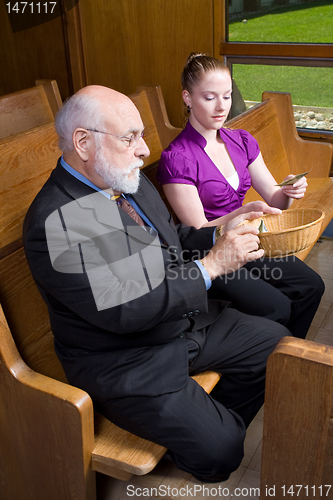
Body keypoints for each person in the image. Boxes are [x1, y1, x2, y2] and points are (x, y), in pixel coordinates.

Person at [23, 84, 288, 483]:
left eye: (142, 134)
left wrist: (217, 234)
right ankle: (205, 433)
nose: (145, 149)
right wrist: (211, 267)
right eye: (130, 137)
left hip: (177, 321)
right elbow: (124, 310)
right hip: (125, 357)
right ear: (83, 142)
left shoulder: (123, 177)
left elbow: (172, 239)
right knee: (223, 451)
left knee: (277, 346)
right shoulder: (58, 218)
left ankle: (207, 419)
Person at [157, 53, 324, 338]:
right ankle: (266, 363)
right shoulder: (177, 158)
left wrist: (289, 190)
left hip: (249, 236)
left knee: (311, 286)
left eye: (226, 95)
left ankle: (286, 357)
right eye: (209, 97)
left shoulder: (242, 140)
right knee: (277, 307)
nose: (222, 106)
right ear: (187, 97)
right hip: (210, 250)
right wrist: (241, 214)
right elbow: (197, 231)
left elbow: (274, 199)